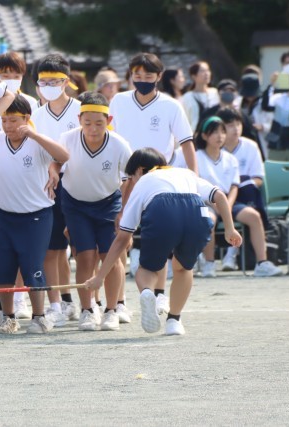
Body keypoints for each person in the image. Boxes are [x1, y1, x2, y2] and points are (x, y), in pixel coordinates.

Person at [85, 148, 243, 336]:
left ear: (140, 170)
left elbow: (121, 239)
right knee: (183, 268)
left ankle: (147, 292)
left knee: (147, 270)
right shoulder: (186, 173)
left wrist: (100, 277)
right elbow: (219, 196)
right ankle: (174, 321)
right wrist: (229, 228)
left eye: (132, 177)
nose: (133, 182)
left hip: (162, 210)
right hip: (196, 212)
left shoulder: (144, 181)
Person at [110, 52, 196, 318]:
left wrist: (193, 178)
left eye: (148, 76)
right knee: (120, 237)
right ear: (130, 76)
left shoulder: (171, 105)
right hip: (123, 177)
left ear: (159, 77)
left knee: (160, 238)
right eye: (137, 75)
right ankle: (120, 302)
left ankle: (159, 295)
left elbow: (186, 143)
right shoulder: (118, 100)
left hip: (159, 179)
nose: (142, 80)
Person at [0, 95, 69, 334]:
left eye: (13, 120)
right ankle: (8, 317)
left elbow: (63, 156)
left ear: (26, 119)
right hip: (5, 214)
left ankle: (39, 316)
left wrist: (33, 134)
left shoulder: (37, 142)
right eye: (4, 120)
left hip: (36, 216)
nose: (8, 126)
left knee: (33, 267)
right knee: (3, 269)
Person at [55, 92, 131, 331]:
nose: (93, 128)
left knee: (110, 257)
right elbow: (55, 161)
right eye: (88, 123)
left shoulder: (119, 144)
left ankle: (111, 310)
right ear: (79, 120)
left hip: (109, 204)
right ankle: (88, 309)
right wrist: (51, 170)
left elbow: (129, 179)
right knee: (84, 257)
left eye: (99, 123)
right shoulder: (67, 139)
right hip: (75, 204)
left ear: (108, 121)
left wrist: (123, 211)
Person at [194, 116, 282, 278]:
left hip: (229, 201)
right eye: (214, 132)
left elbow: (234, 186)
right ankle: (209, 263)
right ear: (205, 136)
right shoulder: (196, 157)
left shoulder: (230, 159)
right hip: (206, 202)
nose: (220, 136)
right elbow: (196, 185)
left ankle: (262, 263)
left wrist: (226, 205)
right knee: (209, 221)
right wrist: (215, 205)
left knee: (254, 216)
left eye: (222, 131)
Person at [31, 53, 81, 326]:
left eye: (55, 80)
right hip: (48, 189)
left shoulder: (82, 110)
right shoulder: (36, 116)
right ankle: (59, 304)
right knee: (53, 250)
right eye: (43, 81)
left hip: (81, 188)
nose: (48, 85)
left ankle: (91, 304)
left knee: (84, 250)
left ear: (66, 81)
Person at [217, 107, 269, 271]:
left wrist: (238, 185)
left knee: (253, 210)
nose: (236, 128)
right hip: (216, 199)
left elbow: (258, 179)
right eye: (230, 124)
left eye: (238, 124)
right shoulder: (212, 147)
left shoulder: (250, 146)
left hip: (242, 199)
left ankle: (261, 263)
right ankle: (210, 261)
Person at [262, 70, 289, 160]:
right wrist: (272, 84)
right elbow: (266, 105)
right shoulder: (279, 97)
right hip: (276, 142)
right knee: (275, 170)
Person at [181, 61, 220, 130]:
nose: (207, 73)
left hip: (215, 133)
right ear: (194, 76)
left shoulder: (215, 92)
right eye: (202, 71)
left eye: (208, 70)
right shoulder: (187, 97)